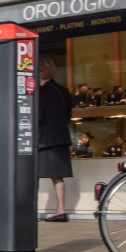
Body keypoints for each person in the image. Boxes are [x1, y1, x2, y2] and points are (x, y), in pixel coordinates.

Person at [37, 58, 73, 222]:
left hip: (45, 140)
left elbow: (38, 116)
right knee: (57, 176)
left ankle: (30, 210)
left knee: (32, 175)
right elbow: (68, 116)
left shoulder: (41, 91)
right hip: (62, 137)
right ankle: (61, 210)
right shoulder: (63, 91)